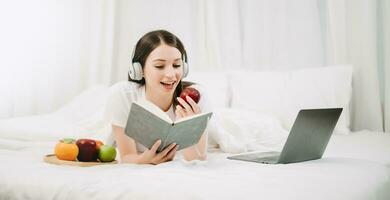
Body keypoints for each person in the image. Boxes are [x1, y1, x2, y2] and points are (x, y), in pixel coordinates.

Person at [104, 30, 210, 165]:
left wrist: (190, 128)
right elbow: (127, 156)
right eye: (159, 66)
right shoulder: (122, 96)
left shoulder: (196, 97)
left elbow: (197, 160)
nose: (171, 74)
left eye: (177, 65)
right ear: (138, 70)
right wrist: (146, 160)